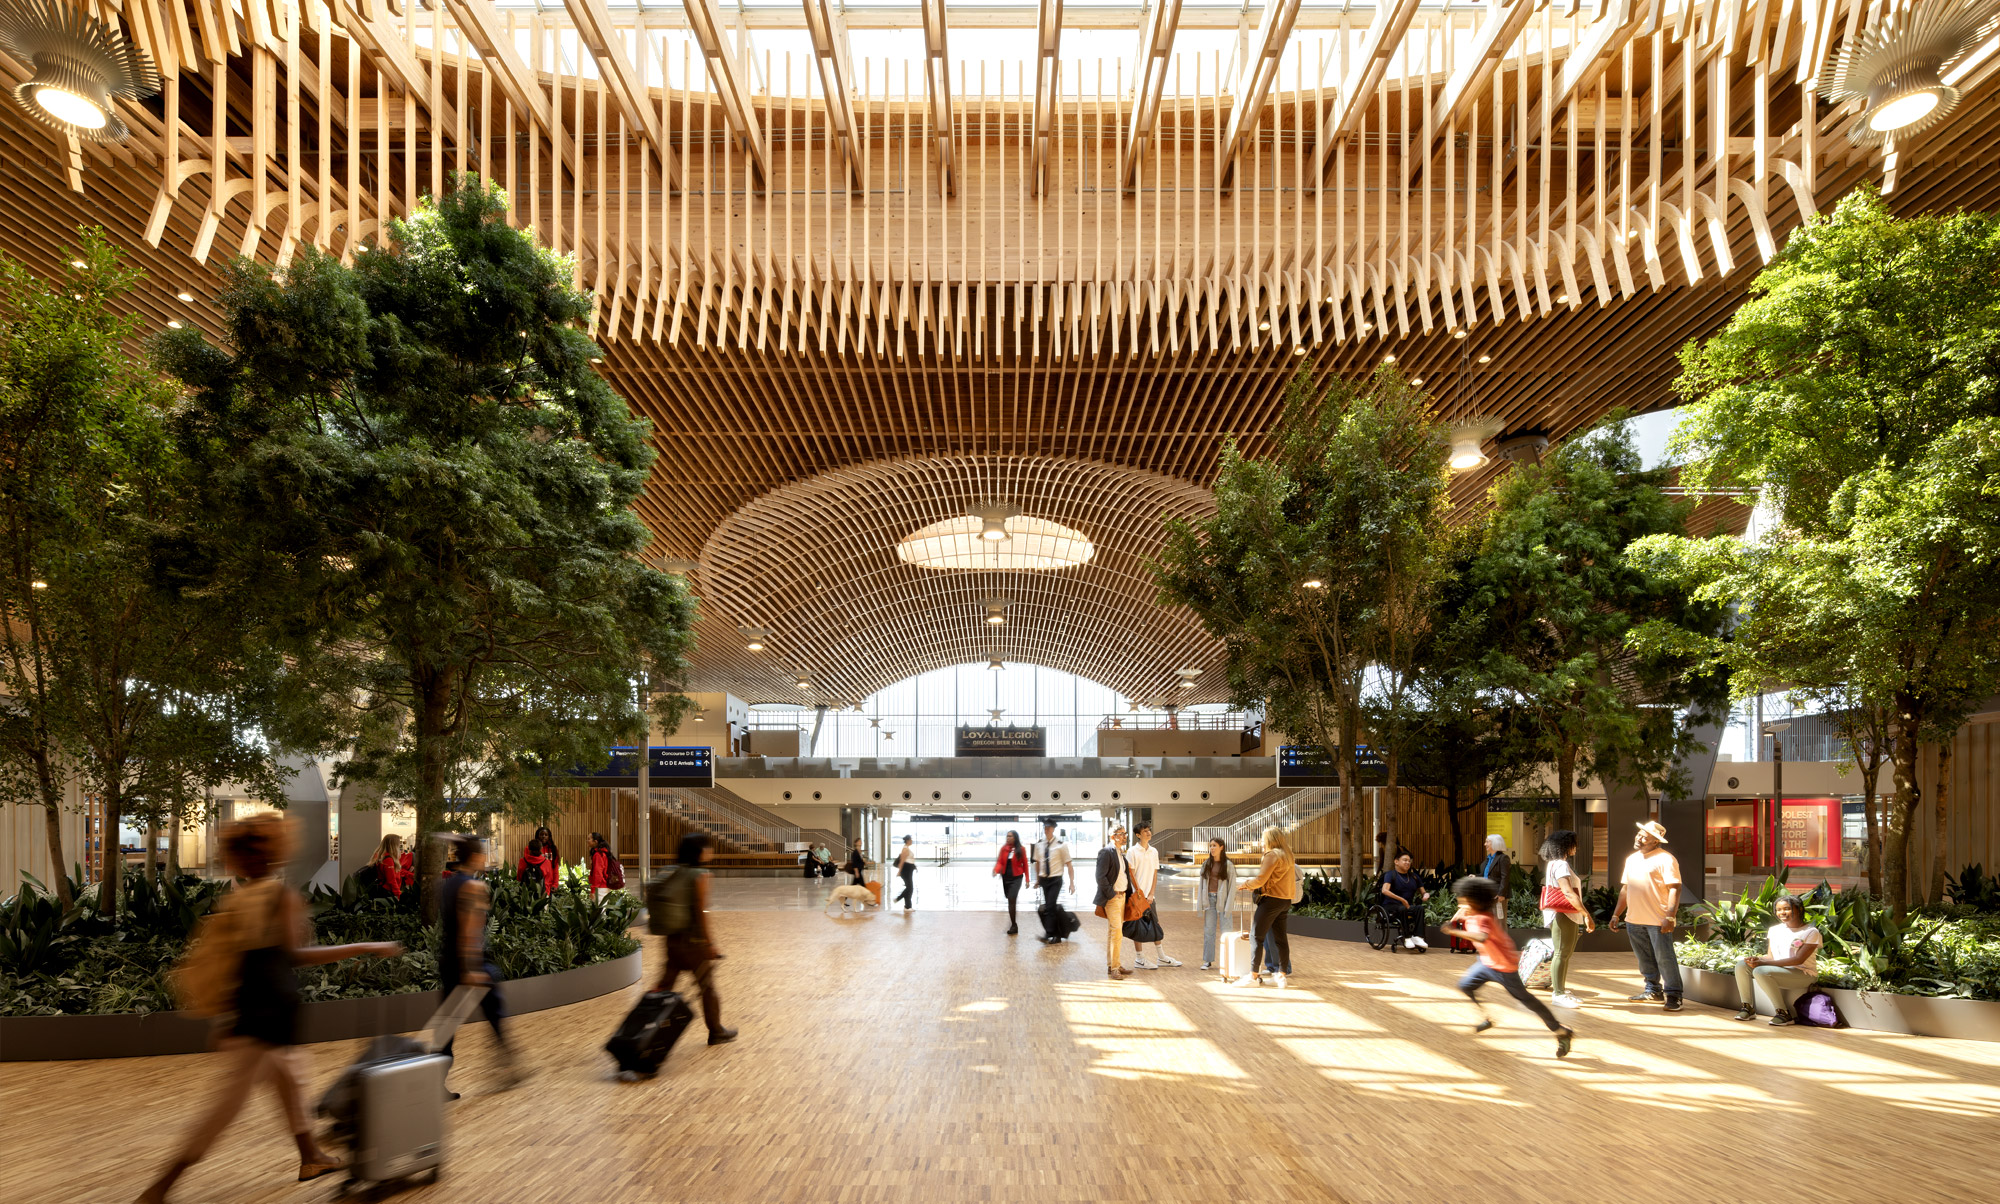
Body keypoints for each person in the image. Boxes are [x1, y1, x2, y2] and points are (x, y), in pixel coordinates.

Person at [139, 815, 402, 1204]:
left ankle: (311, 1156)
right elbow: (295, 955)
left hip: (255, 1012)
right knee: (225, 1107)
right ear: (275, 852)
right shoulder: (281, 897)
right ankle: (160, 1187)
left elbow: (238, 965)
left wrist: (227, 1017)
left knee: (292, 1080)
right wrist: (364, 947)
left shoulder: (237, 897)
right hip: (271, 1014)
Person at [1442, 875, 1574, 1058]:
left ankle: (1561, 1031)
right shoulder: (1471, 912)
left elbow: (1482, 937)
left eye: (1463, 898)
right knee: (1465, 985)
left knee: (1527, 1001)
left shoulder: (1482, 918)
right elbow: (1460, 915)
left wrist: (1453, 931)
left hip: (1504, 967)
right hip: (1486, 963)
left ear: (1473, 901)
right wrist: (1459, 914)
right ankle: (1487, 1019)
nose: (1460, 901)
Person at [440, 833, 527, 1096]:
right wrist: (471, 970)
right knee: (494, 1012)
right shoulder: (474, 888)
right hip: (469, 964)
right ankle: (507, 1067)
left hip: (447, 960)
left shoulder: (448, 884)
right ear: (477, 857)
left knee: (447, 1026)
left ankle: (432, 1082)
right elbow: (470, 932)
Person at [654, 832, 738, 1046]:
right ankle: (716, 1031)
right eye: (708, 847)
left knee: (663, 987)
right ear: (699, 852)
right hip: (693, 945)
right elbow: (701, 912)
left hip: (672, 941)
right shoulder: (701, 875)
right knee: (707, 988)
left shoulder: (672, 871)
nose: (711, 851)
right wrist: (709, 944)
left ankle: (643, 1025)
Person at [1610, 820, 1685, 1011]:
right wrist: (1616, 914)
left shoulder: (1666, 859)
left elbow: (1675, 889)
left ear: (1655, 842)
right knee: (1644, 959)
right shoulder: (1631, 859)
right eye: (1639, 834)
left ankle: (1674, 995)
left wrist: (1670, 916)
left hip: (1657, 919)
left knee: (1665, 957)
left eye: (1645, 837)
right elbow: (1625, 889)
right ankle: (1653, 990)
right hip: (1634, 919)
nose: (1639, 839)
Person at [1733, 894, 1823, 1026]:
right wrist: (1757, 959)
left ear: (1799, 909)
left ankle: (1783, 1013)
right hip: (1780, 969)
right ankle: (1748, 1007)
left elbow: (1798, 960)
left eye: (1787, 909)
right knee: (1742, 965)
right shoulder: (1774, 930)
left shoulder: (1811, 932)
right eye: (1779, 910)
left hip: (1803, 974)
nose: (1782, 913)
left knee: (1761, 971)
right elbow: (1771, 956)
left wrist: (1763, 963)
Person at [1537, 830, 1596, 1008]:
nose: (1576, 847)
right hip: (1563, 914)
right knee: (1562, 952)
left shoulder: (1554, 864)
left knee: (1565, 952)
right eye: (1574, 843)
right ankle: (1558, 993)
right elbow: (1568, 892)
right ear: (1566, 845)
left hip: (1562, 913)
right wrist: (1587, 915)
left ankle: (1560, 989)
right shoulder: (1561, 865)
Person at [1234, 826, 1296, 987]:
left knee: (1256, 936)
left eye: (1263, 839)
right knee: (1281, 938)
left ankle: (1253, 976)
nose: (1261, 842)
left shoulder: (1272, 855)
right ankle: (1281, 975)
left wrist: (1245, 884)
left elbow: (1261, 880)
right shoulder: (1288, 855)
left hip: (1271, 901)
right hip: (1285, 901)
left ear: (1270, 840)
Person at [1126, 823, 1179, 968]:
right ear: (1138, 835)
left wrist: (1151, 893)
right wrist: (1140, 893)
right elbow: (1131, 874)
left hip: (1150, 897)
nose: (1149, 833)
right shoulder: (1132, 852)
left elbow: (1155, 873)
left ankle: (1161, 957)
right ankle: (1139, 958)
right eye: (1145, 831)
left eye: (1149, 830)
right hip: (1137, 898)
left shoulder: (1154, 851)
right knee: (1137, 926)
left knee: (1155, 924)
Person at [1093, 825, 1132, 979]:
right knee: (1117, 932)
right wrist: (1111, 894)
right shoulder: (1106, 852)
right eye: (1120, 834)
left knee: (1113, 932)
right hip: (1113, 898)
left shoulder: (1120, 853)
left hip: (1121, 897)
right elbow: (1100, 877)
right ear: (1112, 837)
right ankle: (1115, 968)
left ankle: (1112, 965)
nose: (1124, 836)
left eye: (1125, 834)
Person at [1195, 838, 1236, 971]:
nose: (1212, 848)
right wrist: (1201, 903)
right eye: (1210, 846)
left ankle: (1228, 961)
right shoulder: (1206, 864)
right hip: (1210, 900)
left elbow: (1232, 886)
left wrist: (1229, 906)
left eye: (1215, 846)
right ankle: (1207, 960)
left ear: (1221, 847)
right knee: (1209, 931)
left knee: (1226, 931)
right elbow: (1202, 885)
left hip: (1223, 901)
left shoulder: (1228, 865)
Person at [1031, 820, 1075, 937]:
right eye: (1045, 827)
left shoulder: (1061, 845)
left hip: (1056, 879)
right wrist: (1038, 880)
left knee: (1050, 905)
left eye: (1049, 828)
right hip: (1044, 880)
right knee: (1049, 906)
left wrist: (1072, 883)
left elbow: (1069, 865)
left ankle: (1052, 934)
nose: (1047, 830)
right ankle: (1056, 931)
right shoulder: (1039, 844)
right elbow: (1038, 863)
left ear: (1054, 829)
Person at [1379, 851, 1429, 950]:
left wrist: (1426, 895)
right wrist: (1401, 899)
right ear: (1396, 862)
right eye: (1405, 860)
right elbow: (1384, 890)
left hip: (1406, 906)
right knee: (1402, 908)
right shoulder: (1390, 874)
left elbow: (1423, 892)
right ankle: (1407, 938)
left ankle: (1418, 937)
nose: (1407, 863)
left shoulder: (1414, 876)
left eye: (1409, 861)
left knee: (1419, 908)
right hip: (1390, 906)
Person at [992, 830, 1029, 935]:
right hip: (1006, 877)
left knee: (1012, 899)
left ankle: (1013, 925)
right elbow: (1000, 861)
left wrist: (1027, 879)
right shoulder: (1004, 849)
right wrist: (996, 870)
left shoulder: (1021, 849)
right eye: (1007, 836)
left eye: (1010, 836)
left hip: (1017, 878)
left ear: (1015, 838)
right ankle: (1014, 924)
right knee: (1009, 899)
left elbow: (1025, 864)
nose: (1007, 838)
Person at [368, 833, 408, 898]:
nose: (399, 846)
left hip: (384, 890)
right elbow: (391, 880)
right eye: (398, 844)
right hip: (388, 892)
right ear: (393, 845)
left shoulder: (381, 856)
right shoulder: (388, 860)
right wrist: (398, 894)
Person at [1481, 834, 1513, 916]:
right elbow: (1486, 875)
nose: (1485, 844)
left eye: (1487, 842)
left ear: (1495, 843)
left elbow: (1505, 877)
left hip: (1497, 895)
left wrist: (1501, 894)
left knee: (1499, 921)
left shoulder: (1503, 858)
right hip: (1487, 893)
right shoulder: (1488, 858)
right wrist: (1475, 876)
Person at [587, 831, 619, 901]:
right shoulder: (603, 852)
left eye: (589, 839)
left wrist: (593, 889)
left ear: (595, 841)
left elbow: (598, 873)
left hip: (600, 888)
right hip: (603, 887)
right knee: (601, 910)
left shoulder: (598, 855)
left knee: (600, 911)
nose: (587, 841)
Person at [894, 835, 917, 910]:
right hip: (905, 870)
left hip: (908, 869)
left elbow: (909, 860)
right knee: (910, 888)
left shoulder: (907, 848)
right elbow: (902, 861)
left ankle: (907, 906)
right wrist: (899, 871)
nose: (912, 841)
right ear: (907, 840)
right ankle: (898, 898)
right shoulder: (905, 849)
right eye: (911, 839)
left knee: (909, 888)